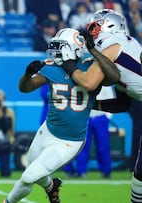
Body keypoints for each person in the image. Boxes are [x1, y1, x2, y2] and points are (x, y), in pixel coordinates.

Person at [2, 27, 117, 203]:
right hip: (48, 130)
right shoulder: (51, 67)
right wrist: (27, 74)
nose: (55, 50)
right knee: (34, 169)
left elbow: (112, 77)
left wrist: (94, 52)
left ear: (74, 47)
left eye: (60, 46)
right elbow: (24, 88)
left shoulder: (90, 67)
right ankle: (51, 187)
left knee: (29, 175)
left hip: (70, 140)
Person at [59, 9, 142, 203]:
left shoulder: (113, 44)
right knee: (139, 172)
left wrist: (68, 64)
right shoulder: (125, 47)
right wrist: (90, 104)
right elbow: (122, 104)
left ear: (110, 25)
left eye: (94, 28)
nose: (91, 33)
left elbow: (88, 82)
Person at [63, 86, 114, 179]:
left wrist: (107, 116)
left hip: (101, 117)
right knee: (83, 145)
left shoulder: (106, 83)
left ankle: (106, 171)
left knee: (103, 145)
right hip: (85, 117)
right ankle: (81, 171)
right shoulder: (84, 81)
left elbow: (111, 98)